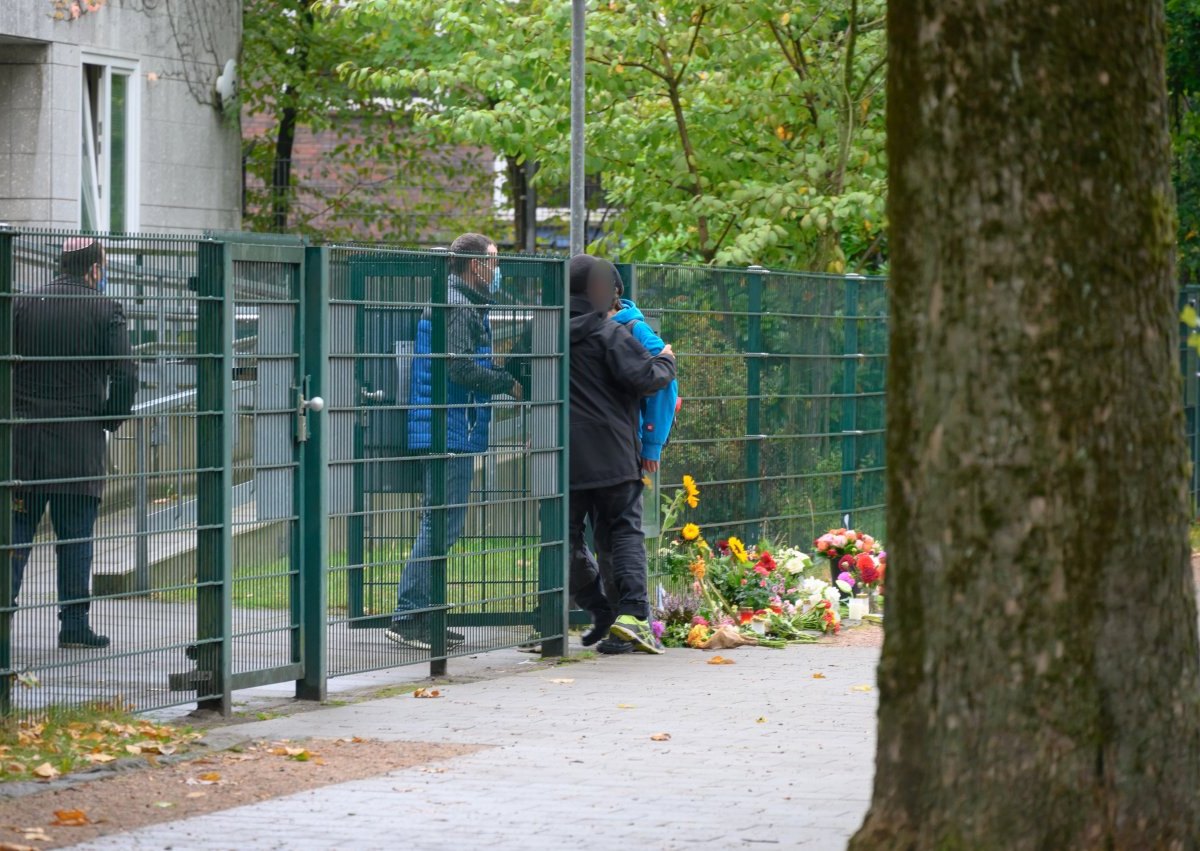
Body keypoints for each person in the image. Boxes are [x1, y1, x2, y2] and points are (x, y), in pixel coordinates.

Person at [386, 233, 523, 651]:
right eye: (494, 262)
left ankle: (422, 612)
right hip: (449, 429)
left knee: (441, 522)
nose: (497, 271)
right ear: (475, 265)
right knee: (441, 523)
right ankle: (409, 613)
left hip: (447, 426)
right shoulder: (458, 306)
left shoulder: (456, 301)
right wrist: (506, 382)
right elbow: (460, 368)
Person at [10, 237, 137, 649]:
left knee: (14, 535)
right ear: (94, 270)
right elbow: (126, 375)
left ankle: (3, 614)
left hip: (23, 443)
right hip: (78, 444)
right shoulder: (106, 310)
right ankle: (74, 624)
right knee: (76, 537)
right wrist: (109, 418)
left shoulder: (21, 304)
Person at [568, 255, 676, 654]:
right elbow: (650, 379)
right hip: (613, 452)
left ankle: (597, 609)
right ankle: (631, 616)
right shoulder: (611, 332)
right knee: (622, 532)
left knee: (565, 538)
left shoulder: (544, 333)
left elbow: (519, 374)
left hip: (561, 455)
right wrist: (666, 358)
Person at [596, 269, 679, 655]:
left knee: (620, 531)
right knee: (605, 535)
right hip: (601, 445)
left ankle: (628, 618)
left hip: (626, 445)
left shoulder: (634, 328)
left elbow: (667, 382)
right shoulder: (591, 323)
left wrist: (651, 443)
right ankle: (617, 617)